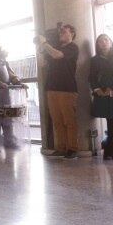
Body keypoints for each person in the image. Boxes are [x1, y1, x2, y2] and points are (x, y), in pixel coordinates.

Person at [37, 24, 79, 159]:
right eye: (60, 32)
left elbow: (57, 55)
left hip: (67, 88)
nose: (61, 33)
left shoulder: (73, 47)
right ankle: (60, 147)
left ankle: (72, 148)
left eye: (64, 31)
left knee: (69, 120)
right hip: (51, 87)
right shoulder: (54, 48)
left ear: (72, 33)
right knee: (56, 120)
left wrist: (44, 43)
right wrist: (41, 47)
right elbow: (42, 63)